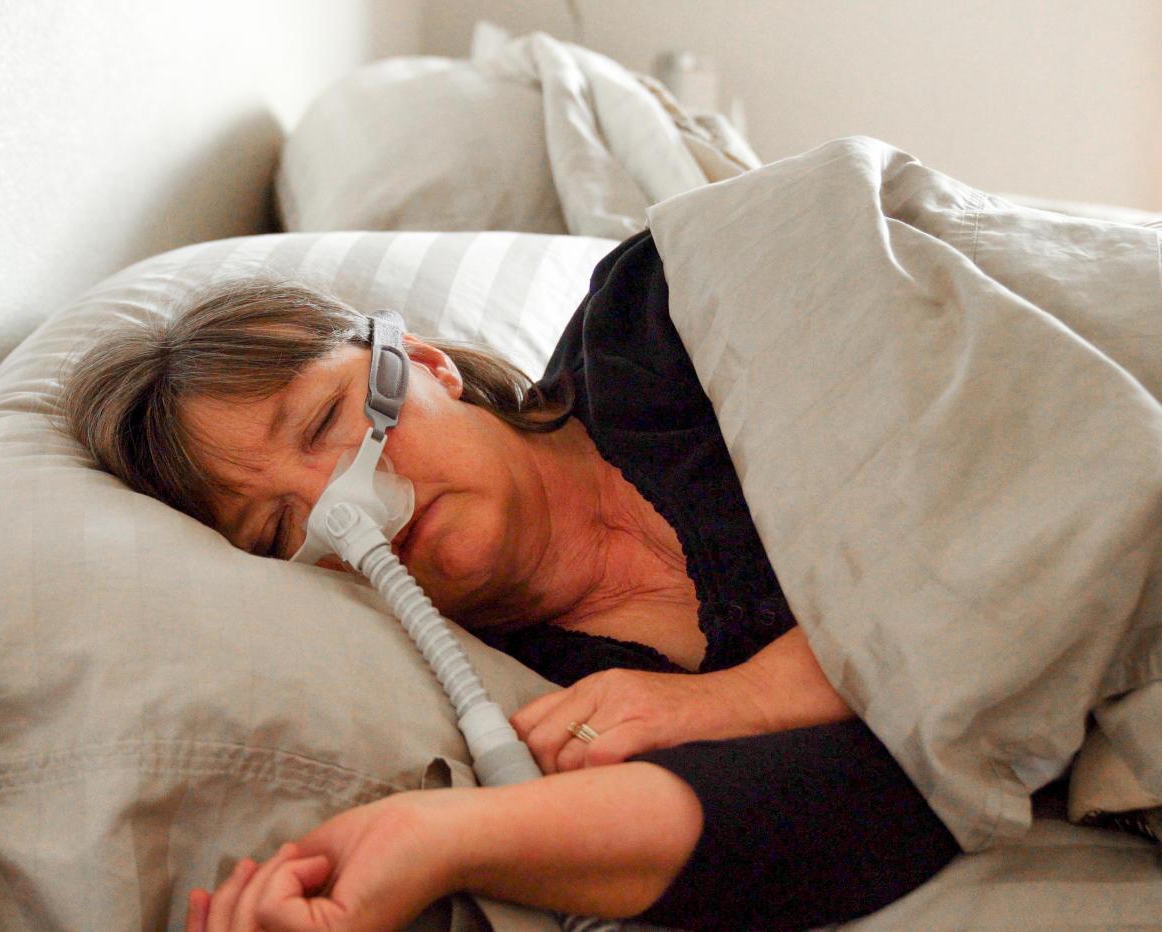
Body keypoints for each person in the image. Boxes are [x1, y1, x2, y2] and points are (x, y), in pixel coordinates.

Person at [62, 232, 960, 931]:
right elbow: (872, 813)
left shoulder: (664, 311)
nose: (352, 507)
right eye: (281, 529)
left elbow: (991, 496)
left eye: (329, 420)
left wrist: (747, 696)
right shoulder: (547, 699)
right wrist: (441, 839)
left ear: (422, 362)